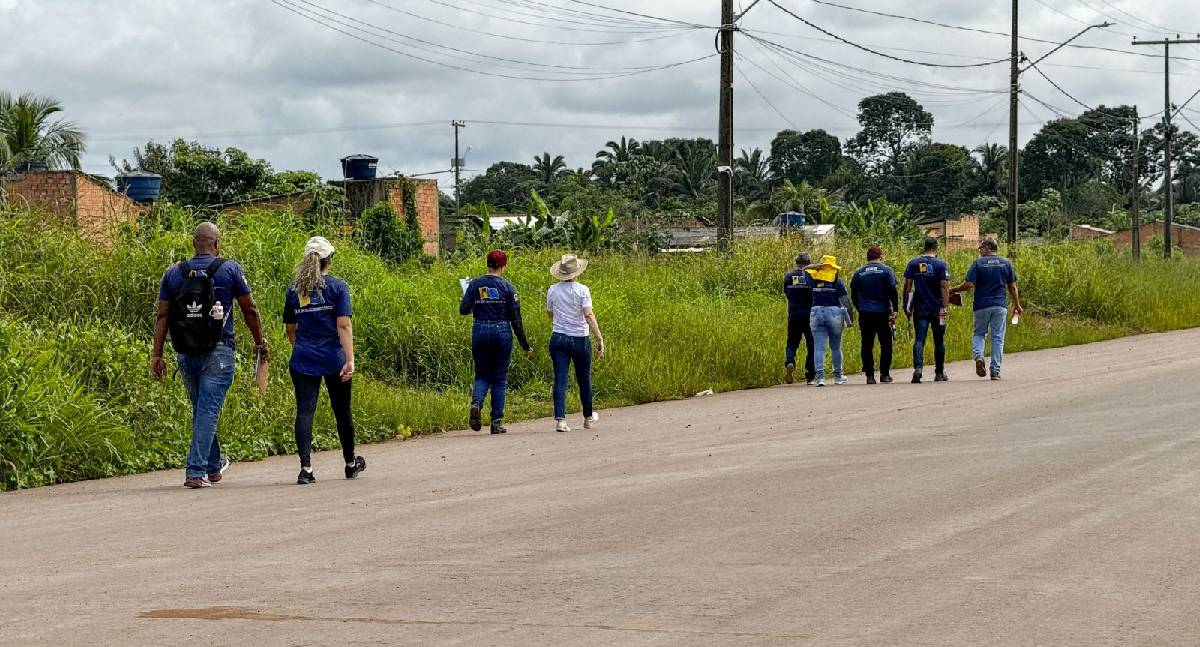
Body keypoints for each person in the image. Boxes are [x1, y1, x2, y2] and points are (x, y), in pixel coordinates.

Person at [150, 222, 268, 489]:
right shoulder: (229, 269)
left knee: (203, 409)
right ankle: (195, 471)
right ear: (217, 243)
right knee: (207, 410)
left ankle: (213, 466)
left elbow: (163, 316)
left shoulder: (173, 274)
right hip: (220, 351)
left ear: (194, 244)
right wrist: (260, 342)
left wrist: (157, 355)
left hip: (186, 353)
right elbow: (250, 310)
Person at [283, 237, 366, 485]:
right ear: (329, 260)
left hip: (303, 358)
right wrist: (349, 360)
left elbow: (290, 328)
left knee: (305, 411)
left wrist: (301, 347)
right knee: (342, 411)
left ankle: (306, 469)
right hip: (333, 358)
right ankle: (351, 464)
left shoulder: (294, 290)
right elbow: (344, 324)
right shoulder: (338, 287)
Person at [459, 249, 532, 434]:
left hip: (480, 329)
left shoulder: (475, 284)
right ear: (503, 266)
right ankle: (496, 422)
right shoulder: (508, 287)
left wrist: (473, 299)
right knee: (499, 378)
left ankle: (476, 403)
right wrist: (525, 344)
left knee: (482, 374)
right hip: (501, 331)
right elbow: (516, 319)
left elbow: (463, 310)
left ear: (487, 264)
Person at [546, 254, 606, 433]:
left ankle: (561, 421)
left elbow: (550, 312)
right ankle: (588, 417)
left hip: (558, 337)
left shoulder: (552, 290)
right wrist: (599, 337)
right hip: (579, 337)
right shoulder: (582, 290)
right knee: (583, 378)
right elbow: (588, 314)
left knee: (560, 379)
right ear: (577, 272)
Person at [949, 237, 1023, 380]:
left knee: (979, 334)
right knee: (997, 338)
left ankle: (978, 357)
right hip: (999, 306)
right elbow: (1012, 287)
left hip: (981, 306)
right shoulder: (1006, 263)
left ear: (989, 248)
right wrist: (1017, 304)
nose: (980, 250)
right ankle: (995, 371)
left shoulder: (978, 263)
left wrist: (953, 289)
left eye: (981, 248)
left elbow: (969, 285)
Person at [903, 237, 952, 384]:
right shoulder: (941, 264)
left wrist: (906, 305)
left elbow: (907, 286)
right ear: (936, 248)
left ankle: (918, 369)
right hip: (937, 309)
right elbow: (944, 286)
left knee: (919, 340)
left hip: (920, 308)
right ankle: (939, 372)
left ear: (924, 247)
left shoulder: (913, 263)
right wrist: (945, 306)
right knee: (939, 341)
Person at [849, 245, 898, 384]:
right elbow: (892, 291)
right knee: (886, 343)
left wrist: (860, 308)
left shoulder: (859, 272)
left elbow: (853, 293)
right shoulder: (886, 270)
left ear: (867, 257)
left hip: (865, 313)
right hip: (882, 312)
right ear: (880, 256)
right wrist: (895, 310)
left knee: (866, 344)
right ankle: (884, 374)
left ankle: (870, 376)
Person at [807, 255, 854, 387]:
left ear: (821, 266)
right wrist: (850, 318)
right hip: (834, 313)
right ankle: (838, 376)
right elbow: (845, 301)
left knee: (818, 348)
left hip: (816, 312)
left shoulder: (813, 279)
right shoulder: (837, 281)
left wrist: (815, 267)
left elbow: (804, 270)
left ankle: (820, 377)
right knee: (835, 347)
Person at [782, 252, 816, 385]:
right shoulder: (811, 276)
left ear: (796, 262)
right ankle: (810, 376)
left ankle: (790, 361)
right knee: (811, 345)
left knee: (792, 342)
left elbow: (787, 293)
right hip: (809, 315)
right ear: (809, 263)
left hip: (794, 314)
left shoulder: (789, 276)